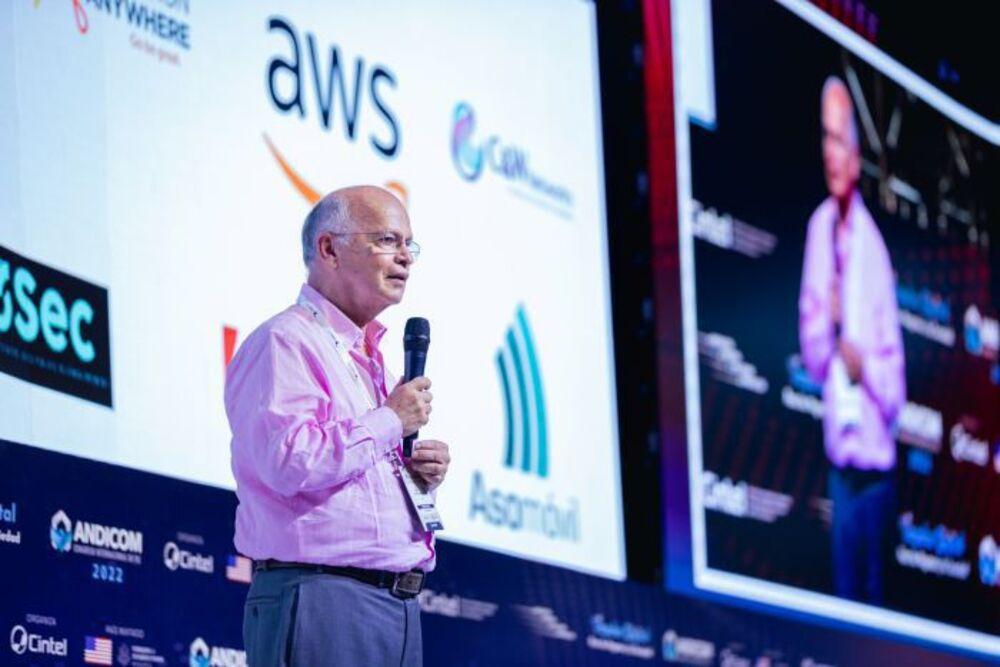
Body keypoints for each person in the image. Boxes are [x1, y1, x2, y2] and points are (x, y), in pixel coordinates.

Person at [225, 185, 450, 666]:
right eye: (388, 240)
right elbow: (290, 463)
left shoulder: (374, 363)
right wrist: (392, 419)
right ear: (329, 248)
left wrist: (417, 477)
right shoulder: (284, 342)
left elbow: (353, 475)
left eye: (410, 244)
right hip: (322, 597)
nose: (405, 257)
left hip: (397, 604)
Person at [798, 76, 905, 603]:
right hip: (839, 468)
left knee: (875, 609)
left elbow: (898, 394)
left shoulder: (876, 251)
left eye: (840, 139)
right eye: (825, 137)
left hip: (877, 476)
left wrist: (865, 369)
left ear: (858, 154)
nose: (830, 153)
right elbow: (814, 358)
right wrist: (828, 325)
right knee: (843, 607)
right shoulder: (819, 231)